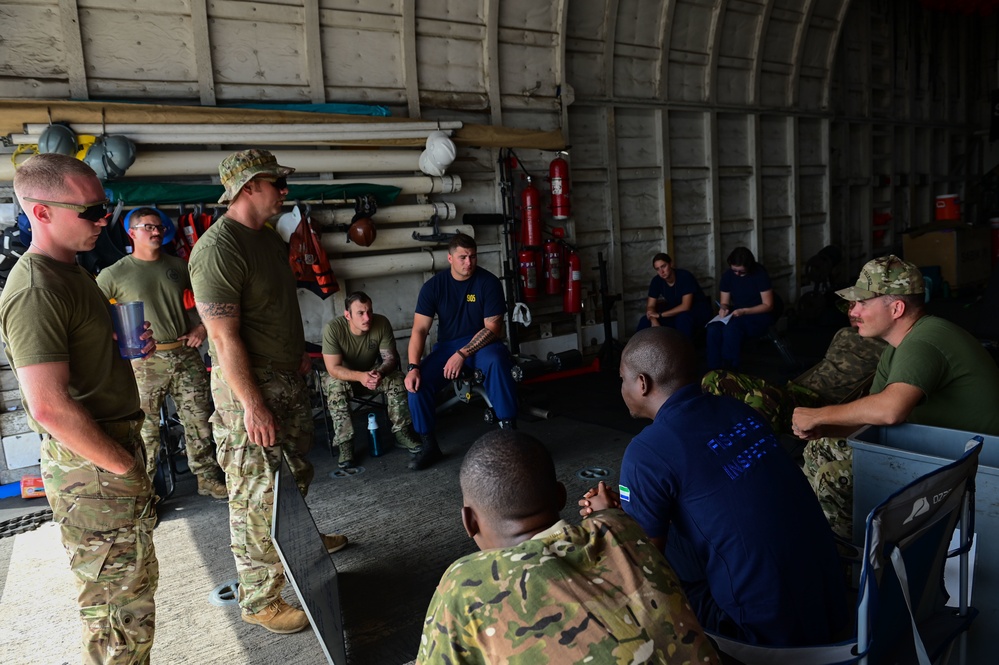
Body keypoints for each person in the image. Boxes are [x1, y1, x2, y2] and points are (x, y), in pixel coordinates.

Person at [582, 327, 848, 646]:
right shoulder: (739, 409)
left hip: (763, 631)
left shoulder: (646, 452)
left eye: (622, 378)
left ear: (642, 383)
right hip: (832, 603)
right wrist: (631, 508)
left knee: (627, 568)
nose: (621, 386)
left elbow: (641, 567)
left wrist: (609, 521)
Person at [0, 153, 158, 664]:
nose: (104, 220)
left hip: (106, 453)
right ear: (41, 213)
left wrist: (119, 346)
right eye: (90, 211)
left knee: (132, 598)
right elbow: (47, 406)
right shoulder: (35, 289)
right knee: (117, 617)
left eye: (105, 207)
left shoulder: (72, 272)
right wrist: (124, 467)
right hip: (93, 467)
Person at [188, 149, 347, 635]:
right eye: (275, 182)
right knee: (255, 494)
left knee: (292, 474)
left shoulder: (270, 240)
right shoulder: (219, 248)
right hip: (248, 390)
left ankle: (297, 546)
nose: (284, 191)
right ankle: (259, 600)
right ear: (248, 187)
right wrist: (252, 404)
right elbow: (222, 336)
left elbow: (275, 306)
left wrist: (297, 351)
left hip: (285, 378)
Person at [417, 430, 720, 665]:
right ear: (561, 497)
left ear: (469, 522)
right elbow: (610, 521)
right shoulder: (622, 528)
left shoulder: (463, 585)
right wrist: (607, 514)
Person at [791, 255, 999, 538]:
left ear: (897, 308)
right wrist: (824, 428)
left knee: (834, 477)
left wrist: (818, 414)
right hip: (941, 451)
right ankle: (815, 539)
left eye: (863, 303)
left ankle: (853, 564)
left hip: (978, 467)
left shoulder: (924, 341)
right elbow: (873, 417)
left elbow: (891, 410)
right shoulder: (897, 347)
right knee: (819, 447)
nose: (853, 311)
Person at [96, 206, 227, 499]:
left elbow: (209, 300)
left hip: (184, 354)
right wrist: (117, 337)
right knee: (146, 430)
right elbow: (91, 313)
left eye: (159, 227)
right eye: (148, 227)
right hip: (144, 362)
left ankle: (206, 478)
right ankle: (145, 493)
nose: (156, 232)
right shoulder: (113, 273)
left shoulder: (179, 266)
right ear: (132, 233)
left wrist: (201, 329)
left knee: (200, 420)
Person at [404, 233, 517, 470]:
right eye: (463, 257)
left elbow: (493, 328)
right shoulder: (433, 287)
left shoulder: (488, 282)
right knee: (417, 383)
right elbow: (419, 330)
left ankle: (510, 436)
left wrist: (463, 353)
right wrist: (413, 367)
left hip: (482, 343)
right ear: (450, 258)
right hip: (447, 347)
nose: (469, 262)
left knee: (497, 360)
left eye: (473, 256)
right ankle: (429, 445)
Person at [701, 324, 887, 437]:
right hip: (796, 389)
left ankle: (750, 456)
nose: (853, 311)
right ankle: (715, 439)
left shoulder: (888, 348)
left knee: (764, 397)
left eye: (863, 304)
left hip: (820, 403)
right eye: (852, 305)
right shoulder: (845, 333)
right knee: (715, 378)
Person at [321, 291, 421, 468]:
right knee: (335, 386)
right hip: (343, 377)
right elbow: (333, 368)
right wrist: (360, 376)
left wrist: (379, 373)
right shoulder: (333, 329)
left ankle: (401, 432)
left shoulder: (381, 323)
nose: (367, 317)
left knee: (396, 379)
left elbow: (390, 359)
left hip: (370, 374)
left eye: (369, 311)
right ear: (347, 315)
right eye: (360, 313)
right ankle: (345, 444)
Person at [706, 246, 774, 370]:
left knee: (731, 329)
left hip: (757, 314)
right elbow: (725, 302)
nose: (737, 274)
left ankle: (730, 369)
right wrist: (723, 309)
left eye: (741, 272)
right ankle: (714, 369)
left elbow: (768, 305)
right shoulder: (728, 276)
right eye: (734, 270)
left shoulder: (760, 275)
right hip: (736, 312)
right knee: (713, 329)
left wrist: (744, 311)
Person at [636, 252, 711, 338]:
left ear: (671, 264)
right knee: (645, 320)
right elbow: (650, 306)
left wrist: (660, 315)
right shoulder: (656, 281)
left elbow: (685, 306)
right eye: (657, 269)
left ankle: (684, 350)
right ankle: (636, 349)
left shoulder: (685, 276)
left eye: (663, 266)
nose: (661, 271)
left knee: (683, 319)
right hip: (674, 310)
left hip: (697, 310)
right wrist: (653, 319)